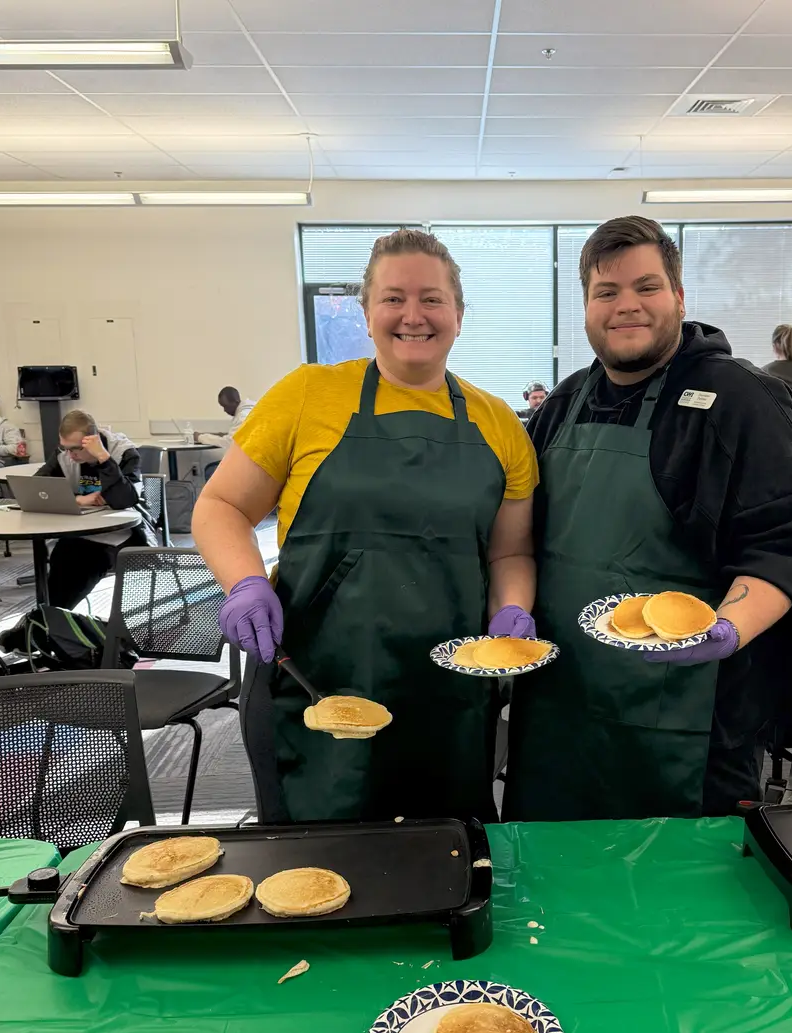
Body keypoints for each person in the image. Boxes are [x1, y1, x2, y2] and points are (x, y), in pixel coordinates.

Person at [193, 228, 538, 825]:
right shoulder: (307, 395)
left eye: (432, 298)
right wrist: (244, 583)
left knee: (443, 862)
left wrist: (512, 616)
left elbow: (510, 554)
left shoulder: (499, 422)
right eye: (393, 298)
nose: (413, 316)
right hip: (315, 680)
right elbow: (220, 506)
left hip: (447, 695)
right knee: (313, 873)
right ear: (367, 311)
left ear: (458, 312)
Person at [503, 216, 792, 822]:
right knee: (549, 886)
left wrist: (730, 627)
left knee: (689, 899)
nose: (626, 306)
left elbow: (790, 541)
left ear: (679, 297)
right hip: (561, 708)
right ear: (585, 307)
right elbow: (517, 538)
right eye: (607, 292)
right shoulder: (564, 402)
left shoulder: (741, 401)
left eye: (646, 287)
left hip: (689, 718)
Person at [34, 409, 150, 609]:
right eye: (66, 448)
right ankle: (49, 621)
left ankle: (52, 619)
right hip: (81, 529)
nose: (70, 455)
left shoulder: (123, 452)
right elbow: (39, 488)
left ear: (93, 440)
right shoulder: (65, 453)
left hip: (124, 531)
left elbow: (125, 499)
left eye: (76, 449)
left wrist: (104, 460)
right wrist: (78, 500)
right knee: (65, 557)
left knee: (79, 558)